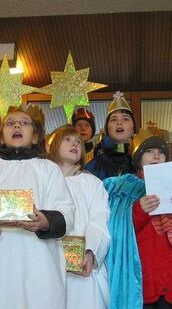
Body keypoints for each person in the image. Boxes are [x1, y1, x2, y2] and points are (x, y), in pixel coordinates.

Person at [0, 106, 75, 309]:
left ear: (35, 137)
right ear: (1, 137)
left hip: (38, 261)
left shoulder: (48, 170)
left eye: (24, 122)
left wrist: (46, 221)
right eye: (10, 123)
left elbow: (67, 210)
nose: (17, 125)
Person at [103, 123, 172, 309]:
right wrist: (140, 210)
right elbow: (121, 232)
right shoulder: (125, 189)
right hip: (143, 281)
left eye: (161, 152)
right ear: (138, 158)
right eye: (149, 151)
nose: (157, 155)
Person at [47, 125, 110, 309]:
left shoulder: (91, 183)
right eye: (67, 139)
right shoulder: (43, 181)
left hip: (83, 268)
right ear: (53, 145)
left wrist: (91, 251)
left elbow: (99, 219)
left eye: (78, 142)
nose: (74, 144)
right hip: (47, 265)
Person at [85, 92, 136, 180]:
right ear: (107, 129)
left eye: (125, 118)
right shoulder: (95, 164)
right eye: (113, 119)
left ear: (133, 128)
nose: (119, 122)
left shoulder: (143, 160)